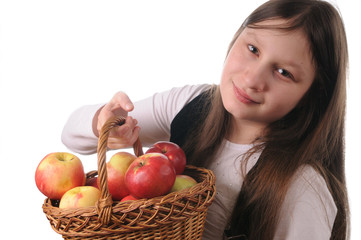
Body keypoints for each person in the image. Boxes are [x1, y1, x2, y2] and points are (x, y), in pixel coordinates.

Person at [61, 0, 349, 239]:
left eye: (283, 72)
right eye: (252, 49)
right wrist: (105, 123)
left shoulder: (302, 189)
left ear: (313, 95)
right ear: (237, 36)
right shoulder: (191, 103)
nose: (252, 79)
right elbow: (72, 134)